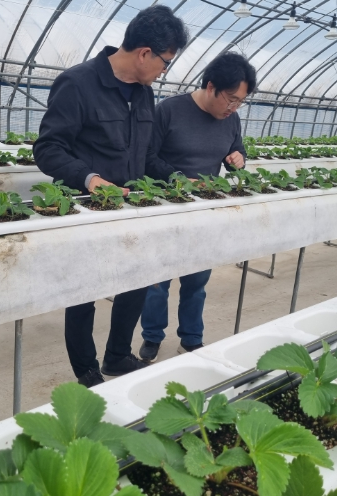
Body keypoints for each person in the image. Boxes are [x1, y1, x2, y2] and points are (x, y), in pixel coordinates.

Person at [33, 6, 188, 387]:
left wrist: (180, 179)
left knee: (138, 278)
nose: (164, 71)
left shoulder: (144, 94)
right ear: (145, 53)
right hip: (89, 209)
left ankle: (117, 356)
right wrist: (91, 180)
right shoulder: (78, 83)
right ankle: (86, 371)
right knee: (83, 291)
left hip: (131, 208)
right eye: (165, 63)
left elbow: (146, 156)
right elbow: (48, 149)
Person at [139, 51, 258, 363]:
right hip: (166, 208)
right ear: (211, 86)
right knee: (157, 281)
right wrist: (179, 179)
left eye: (241, 102)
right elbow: (147, 157)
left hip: (204, 211)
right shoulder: (170, 110)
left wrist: (238, 159)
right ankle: (152, 336)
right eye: (231, 99)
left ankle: (191, 339)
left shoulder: (231, 120)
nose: (233, 107)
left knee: (197, 281)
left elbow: (236, 152)